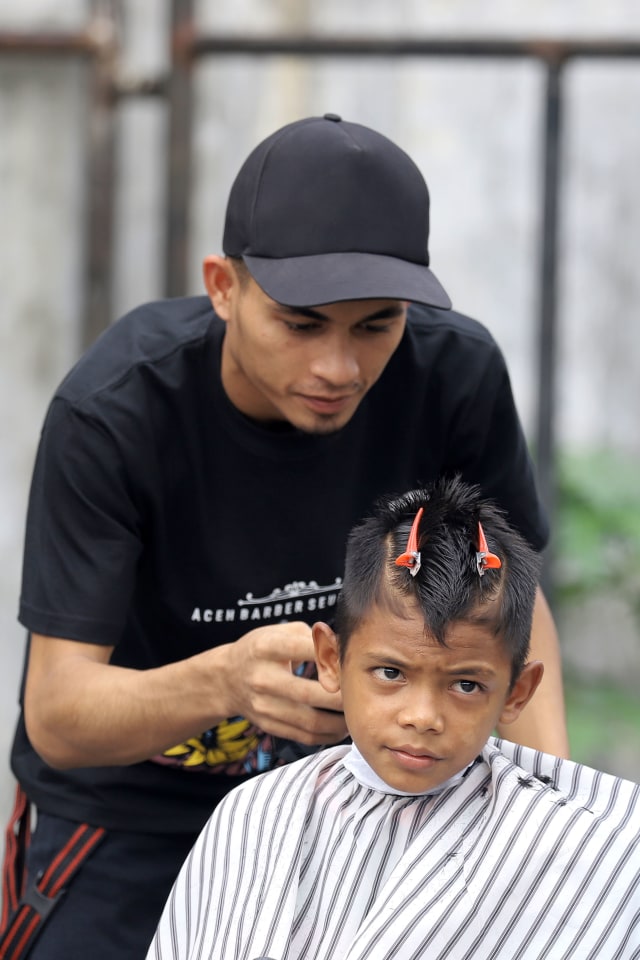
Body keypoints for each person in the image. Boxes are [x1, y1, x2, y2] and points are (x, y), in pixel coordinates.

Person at [3, 115, 568, 958]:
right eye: (302, 325)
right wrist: (226, 680)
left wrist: (545, 813)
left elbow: (510, 604)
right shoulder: (116, 411)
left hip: (366, 791)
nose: (338, 368)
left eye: (375, 325)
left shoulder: (454, 376)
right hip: (136, 810)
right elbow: (58, 714)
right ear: (223, 287)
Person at [147, 477, 640, 960]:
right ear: (330, 660)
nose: (422, 717)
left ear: (518, 691)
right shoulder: (252, 818)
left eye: (466, 684)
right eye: (390, 672)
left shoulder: (591, 847)